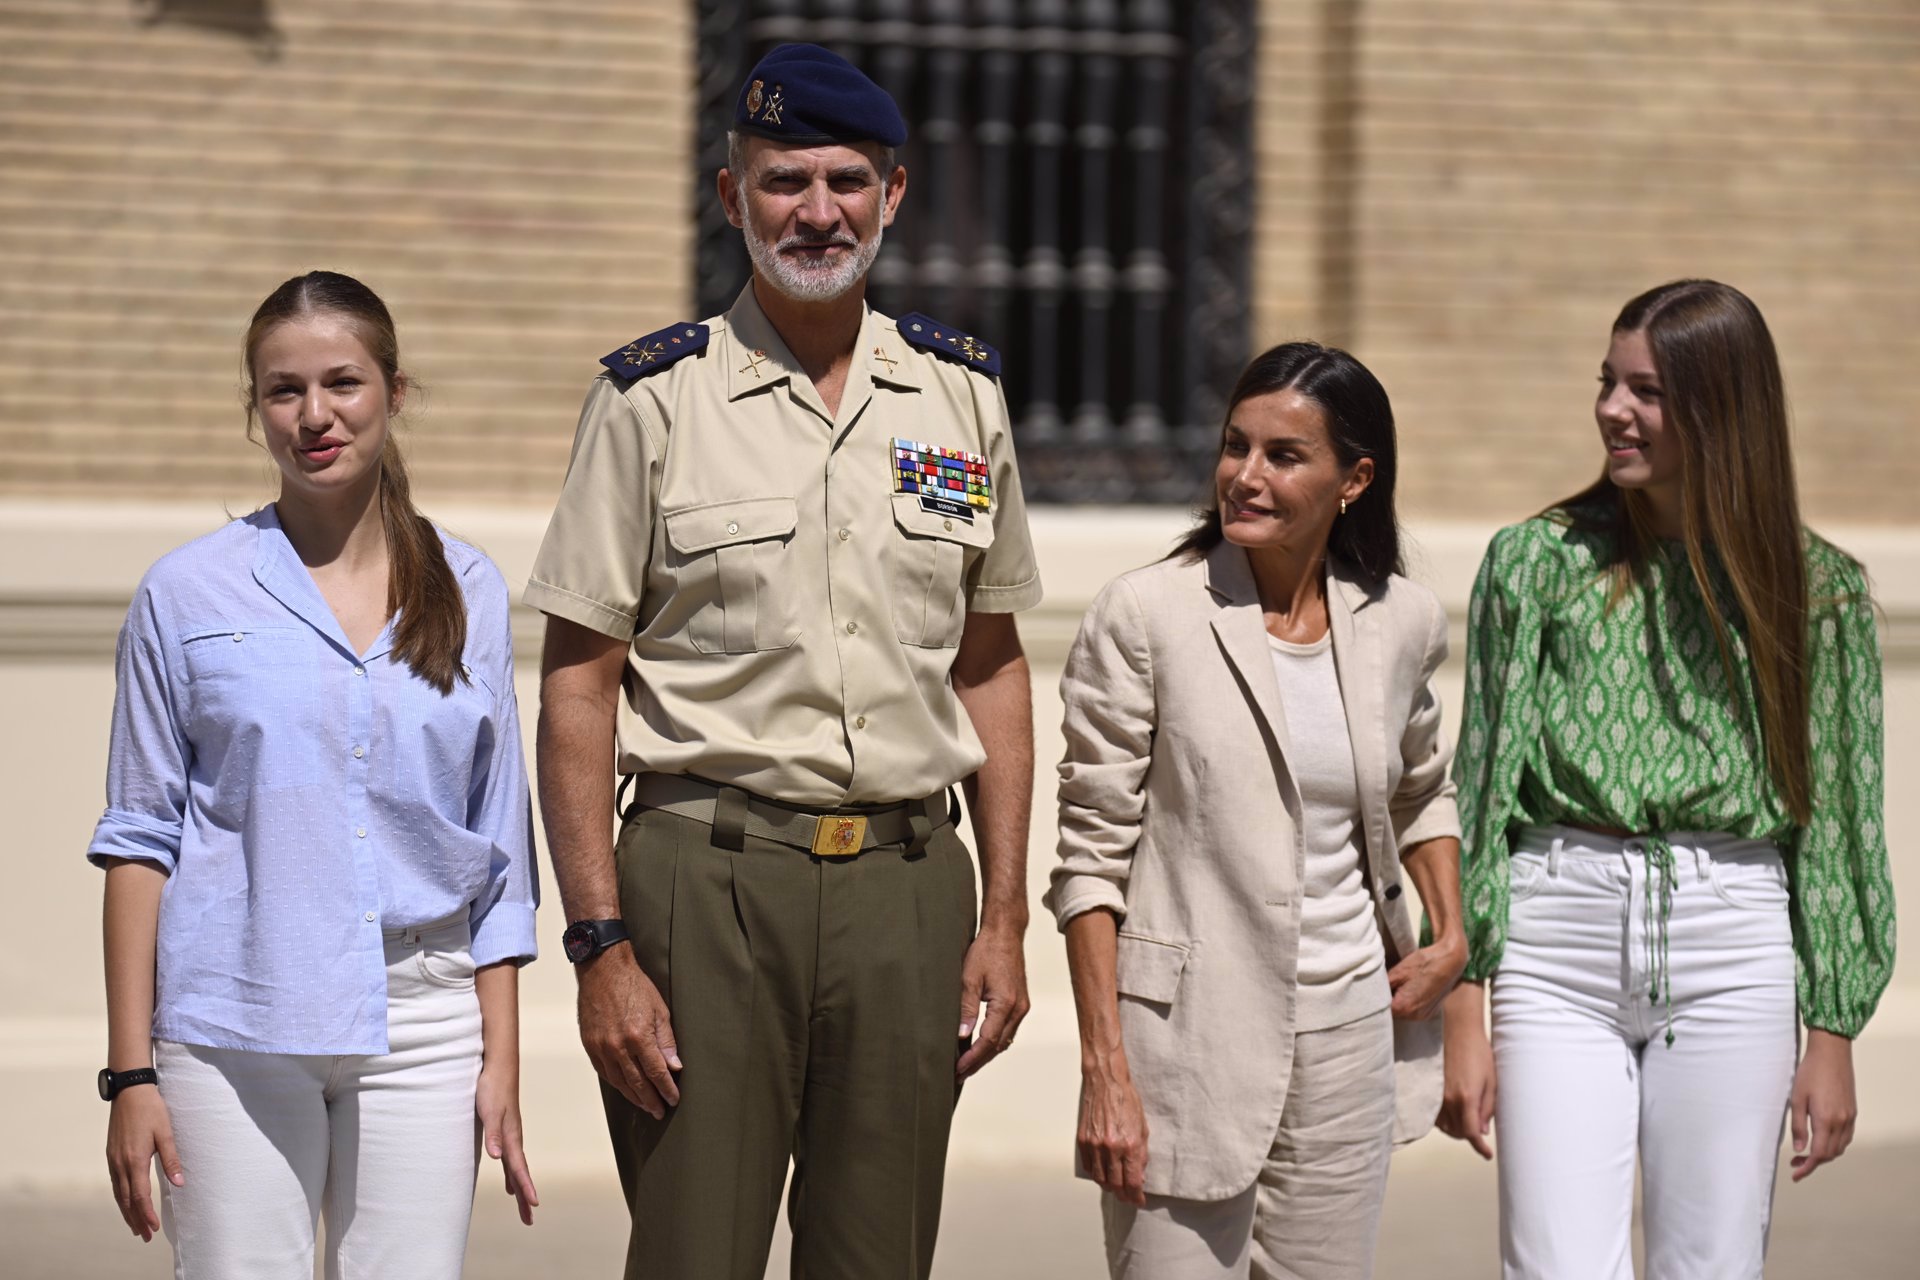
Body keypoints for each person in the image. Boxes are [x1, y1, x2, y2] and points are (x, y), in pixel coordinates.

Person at [525, 42, 1043, 1280]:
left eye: (847, 180)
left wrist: (1006, 912)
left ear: (894, 193)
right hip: (707, 887)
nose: (819, 211)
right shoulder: (652, 402)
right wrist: (601, 947)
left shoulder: (961, 399)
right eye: (785, 181)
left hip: (911, 891)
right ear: (730, 197)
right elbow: (580, 685)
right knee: (696, 1254)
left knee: (879, 1260)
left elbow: (993, 666)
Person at [1437, 279, 1896, 1278]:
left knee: (1713, 1263)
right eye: (1608, 381)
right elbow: (1480, 791)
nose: (1612, 408)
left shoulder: (1819, 593)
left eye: (1645, 389)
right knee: (1554, 1264)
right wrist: (1463, 1001)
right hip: (1554, 937)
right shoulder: (1536, 562)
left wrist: (1832, 1027)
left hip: (1736, 943)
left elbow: (1843, 821)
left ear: (1722, 406)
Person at [93, 270, 541, 1278]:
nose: (315, 414)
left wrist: (500, 1055)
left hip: (426, 1019)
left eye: (343, 381)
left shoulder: (469, 588)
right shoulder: (186, 590)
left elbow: (500, 848)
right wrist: (130, 1072)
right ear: (255, 410)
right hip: (233, 1018)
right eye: (283, 390)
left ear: (395, 389)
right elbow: (137, 839)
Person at [1047, 342, 1469, 1279]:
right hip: (1184, 1050)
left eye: (1284, 455)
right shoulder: (1145, 615)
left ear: (1355, 478)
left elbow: (1420, 788)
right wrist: (1104, 1070)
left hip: (1352, 1037)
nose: (1245, 475)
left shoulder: (1400, 620)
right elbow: (1089, 863)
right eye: (1236, 446)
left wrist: (1453, 933)